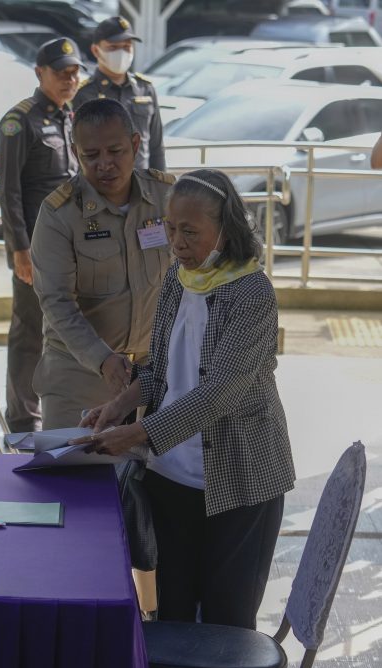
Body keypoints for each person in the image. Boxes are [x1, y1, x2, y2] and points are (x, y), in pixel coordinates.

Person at [74, 169, 296, 629]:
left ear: (226, 230)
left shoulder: (251, 293)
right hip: (171, 477)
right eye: (171, 228)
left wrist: (136, 434)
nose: (176, 241)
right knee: (172, 614)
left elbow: (219, 393)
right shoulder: (180, 278)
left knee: (227, 623)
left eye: (190, 232)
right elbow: (161, 368)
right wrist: (118, 407)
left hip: (239, 482)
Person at [31, 98, 174, 429]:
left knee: (153, 478)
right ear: (75, 151)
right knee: (74, 476)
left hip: (153, 375)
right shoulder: (59, 214)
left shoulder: (166, 197)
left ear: (135, 144)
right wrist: (102, 358)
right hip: (79, 376)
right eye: (90, 156)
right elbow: (56, 301)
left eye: (115, 151)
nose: (104, 164)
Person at [0, 37, 81, 433]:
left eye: (74, 72)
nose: (70, 79)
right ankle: (22, 416)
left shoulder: (70, 116)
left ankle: (63, 408)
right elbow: (9, 190)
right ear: (39, 73)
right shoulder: (20, 120)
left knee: (67, 326)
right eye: (61, 72)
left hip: (68, 241)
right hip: (34, 242)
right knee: (29, 328)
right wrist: (19, 248)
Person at [73, 16, 165, 172]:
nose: (122, 52)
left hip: (142, 185)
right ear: (96, 50)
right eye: (113, 47)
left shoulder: (145, 89)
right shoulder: (83, 94)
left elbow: (156, 148)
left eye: (127, 47)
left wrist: (162, 188)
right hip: (101, 185)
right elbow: (76, 152)